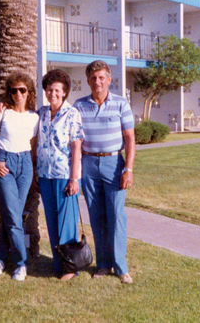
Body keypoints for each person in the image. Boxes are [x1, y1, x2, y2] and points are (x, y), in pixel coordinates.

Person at [73, 60, 136, 284]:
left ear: (109, 79)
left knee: (117, 216)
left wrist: (128, 169)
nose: (97, 82)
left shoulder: (121, 103)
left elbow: (130, 138)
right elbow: (74, 139)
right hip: (89, 165)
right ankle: (102, 264)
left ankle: (120, 267)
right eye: (93, 77)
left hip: (114, 165)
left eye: (102, 77)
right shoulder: (79, 106)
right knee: (97, 217)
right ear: (88, 80)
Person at [0, 72, 39, 281]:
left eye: (22, 90)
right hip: (4, 163)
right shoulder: (1, 113)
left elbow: (32, 147)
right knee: (13, 215)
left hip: (25, 164)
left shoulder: (34, 117)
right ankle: (21, 264)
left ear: (29, 92)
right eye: (14, 90)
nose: (18, 94)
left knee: (13, 215)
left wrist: (32, 170)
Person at [37, 69, 84, 281]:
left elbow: (76, 148)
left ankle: (70, 268)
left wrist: (74, 179)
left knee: (67, 221)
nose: (52, 93)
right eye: (49, 89)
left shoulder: (72, 114)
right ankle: (58, 264)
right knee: (52, 221)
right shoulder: (41, 113)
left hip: (65, 175)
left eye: (56, 90)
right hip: (45, 175)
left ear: (64, 92)